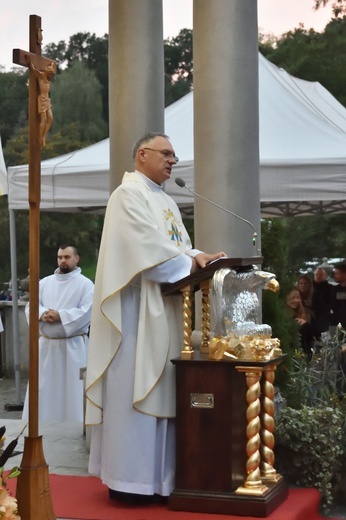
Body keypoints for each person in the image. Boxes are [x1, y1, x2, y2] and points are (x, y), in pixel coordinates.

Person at [85, 131, 226, 503]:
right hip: (134, 317)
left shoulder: (163, 200)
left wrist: (197, 254)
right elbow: (145, 249)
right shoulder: (127, 195)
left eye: (174, 156)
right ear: (141, 155)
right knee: (135, 391)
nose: (172, 161)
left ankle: (161, 481)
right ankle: (129, 482)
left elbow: (173, 247)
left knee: (162, 391)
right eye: (166, 154)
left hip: (162, 309)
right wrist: (190, 261)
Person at [22, 245, 94, 422]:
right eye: (60, 257)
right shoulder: (44, 283)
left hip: (74, 346)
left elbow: (88, 311)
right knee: (43, 387)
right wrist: (42, 313)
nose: (63, 260)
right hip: (47, 346)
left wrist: (60, 315)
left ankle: (75, 422)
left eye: (67, 257)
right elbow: (31, 305)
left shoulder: (85, 284)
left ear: (76, 259)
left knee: (73, 389)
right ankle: (42, 423)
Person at [26, 54, 55, 147]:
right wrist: (30, 62)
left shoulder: (48, 79)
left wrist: (52, 64)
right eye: (50, 73)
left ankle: (43, 136)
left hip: (47, 99)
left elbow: (52, 65)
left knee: (50, 118)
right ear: (47, 72)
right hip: (42, 99)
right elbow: (34, 70)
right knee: (44, 119)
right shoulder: (42, 76)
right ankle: (40, 137)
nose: (51, 75)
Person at [286, 287, 314, 359]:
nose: (296, 300)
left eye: (298, 297)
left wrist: (306, 324)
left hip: (304, 356)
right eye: (293, 297)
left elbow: (311, 337)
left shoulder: (305, 313)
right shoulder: (282, 315)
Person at [312, 267, 331, 337]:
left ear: (325, 276)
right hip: (312, 314)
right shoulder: (310, 287)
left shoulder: (330, 288)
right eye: (317, 275)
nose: (318, 276)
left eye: (321, 275)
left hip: (324, 315)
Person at [330, 263, 346, 330]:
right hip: (340, 325)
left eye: (337, 273)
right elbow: (333, 306)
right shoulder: (335, 289)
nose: (335, 276)